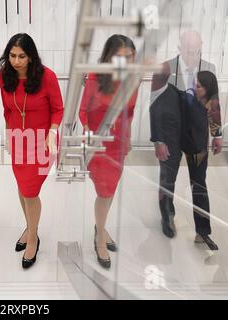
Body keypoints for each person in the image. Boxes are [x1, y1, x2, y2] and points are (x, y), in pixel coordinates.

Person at [150, 30, 222, 247]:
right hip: (170, 137)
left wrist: (217, 134)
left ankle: (203, 230)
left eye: (196, 50)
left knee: (199, 182)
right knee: (167, 179)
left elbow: (214, 105)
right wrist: (157, 139)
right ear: (180, 47)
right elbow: (154, 105)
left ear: (201, 46)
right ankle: (167, 216)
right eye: (188, 50)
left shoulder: (209, 68)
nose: (193, 54)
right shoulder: (165, 69)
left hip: (197, 138)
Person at [0, 33, 64, 269]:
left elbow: (58, 109)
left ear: (31, 56)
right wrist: (8, 134)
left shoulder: (47, 77)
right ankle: (30, 228)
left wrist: (53, 133)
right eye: (12, 56)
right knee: (21, 186)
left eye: (21, 56)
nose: (16, 61)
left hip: (42, 142)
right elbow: (7, 110)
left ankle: (33, 238)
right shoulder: (4, 76)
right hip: (18, 140)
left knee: (30, 190)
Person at [79, 34, 138, 269]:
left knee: (110, 191)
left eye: (130, 57)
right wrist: (87, 134)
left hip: (118, 143)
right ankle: (99, 237)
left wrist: (129, 139)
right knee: (104, 192)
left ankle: (99, 227)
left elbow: (130, 112)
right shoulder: (95, 77)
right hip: (99, 144)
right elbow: (83, 111)